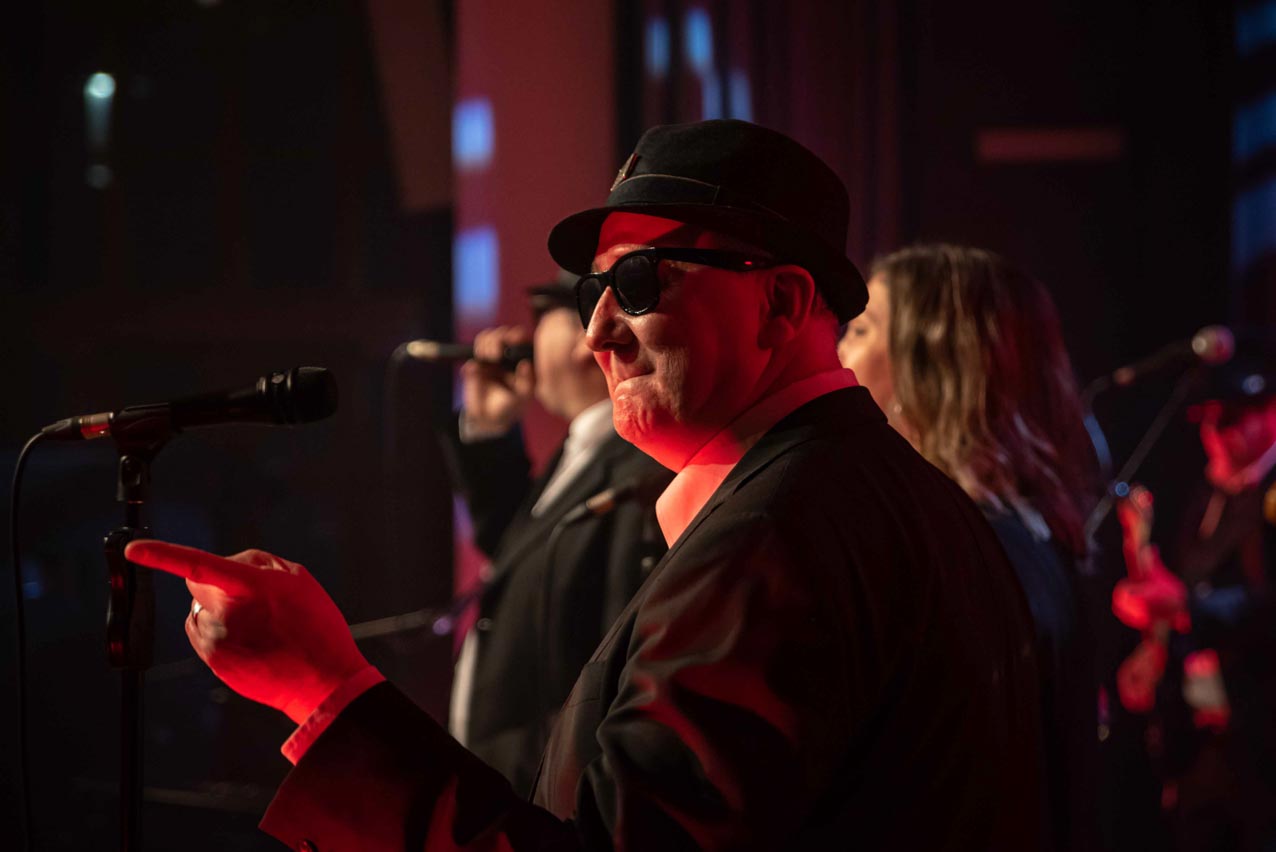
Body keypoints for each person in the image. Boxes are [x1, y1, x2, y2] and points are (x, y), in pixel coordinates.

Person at [126, 119, 1042, 850]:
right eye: (589, 292)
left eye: (640, 280)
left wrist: (327, 692)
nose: (598, 331)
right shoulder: (886, 499)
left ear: (782, 303)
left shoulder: (777, 537)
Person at [837, 244, 1100, 852]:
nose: (836, 351)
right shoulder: (1025, 530)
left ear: (934, 364)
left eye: (861, 330)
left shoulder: (962, 544)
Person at [441, 279, 669, 796]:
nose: (521, 338)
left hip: (537, 789)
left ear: (586, 339)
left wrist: (509, 771)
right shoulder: (584, 448)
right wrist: (490, 430)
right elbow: (519, 553)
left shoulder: (638, 472)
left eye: (541, 320)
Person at [1110, 335, 1276, 851]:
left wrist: (1185, 607)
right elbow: (1185, 585)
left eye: (1230, 419)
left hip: (1261, 740)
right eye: (1208, 420)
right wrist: (1158, 641)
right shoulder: (1210, 489)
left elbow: (1262, 604)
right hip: (1201, 738)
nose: (1216, 434)